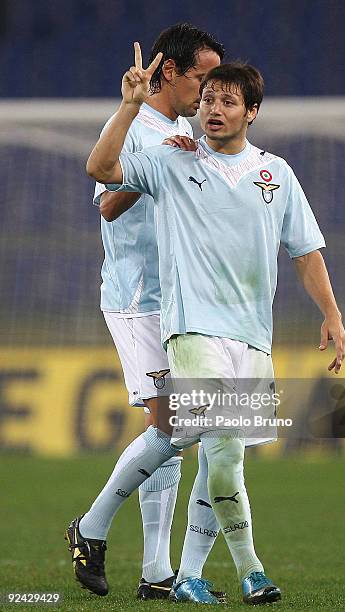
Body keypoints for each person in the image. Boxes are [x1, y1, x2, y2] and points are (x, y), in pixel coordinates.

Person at [86, 43, 345, 604]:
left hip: (253, 335)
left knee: (215, 457)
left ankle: (187, 574)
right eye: (207, 98)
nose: (214, 109)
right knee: (221, 448)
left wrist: (331, 312)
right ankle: (252, 571)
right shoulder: (174, 160)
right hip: (191, 329)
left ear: (251, 111)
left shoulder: (274, 173)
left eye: (228, 100)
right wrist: (129, 107)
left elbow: (305, 251)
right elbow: (102, 172)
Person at [65, 24, 225, 600]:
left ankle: (156, 572)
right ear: (168, 71)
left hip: (182, 300)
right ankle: (91, 526)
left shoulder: (187, 130)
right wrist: (159, 163)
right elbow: (108, 204)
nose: (209, 91)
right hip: (139, 300)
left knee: (179, 430)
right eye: (202, 78)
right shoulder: (136, 125)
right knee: (178, 425)